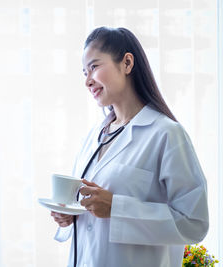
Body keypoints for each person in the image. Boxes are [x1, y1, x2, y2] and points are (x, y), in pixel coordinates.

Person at [50, 27, 209, 267]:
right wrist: (70, 216)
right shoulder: (94, 136)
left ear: (126, 63)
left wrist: (117, 208)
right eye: (84, 72)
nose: (87, 80)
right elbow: (92, 221)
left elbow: (193, 223)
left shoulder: (166, 134)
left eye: (94, 67)